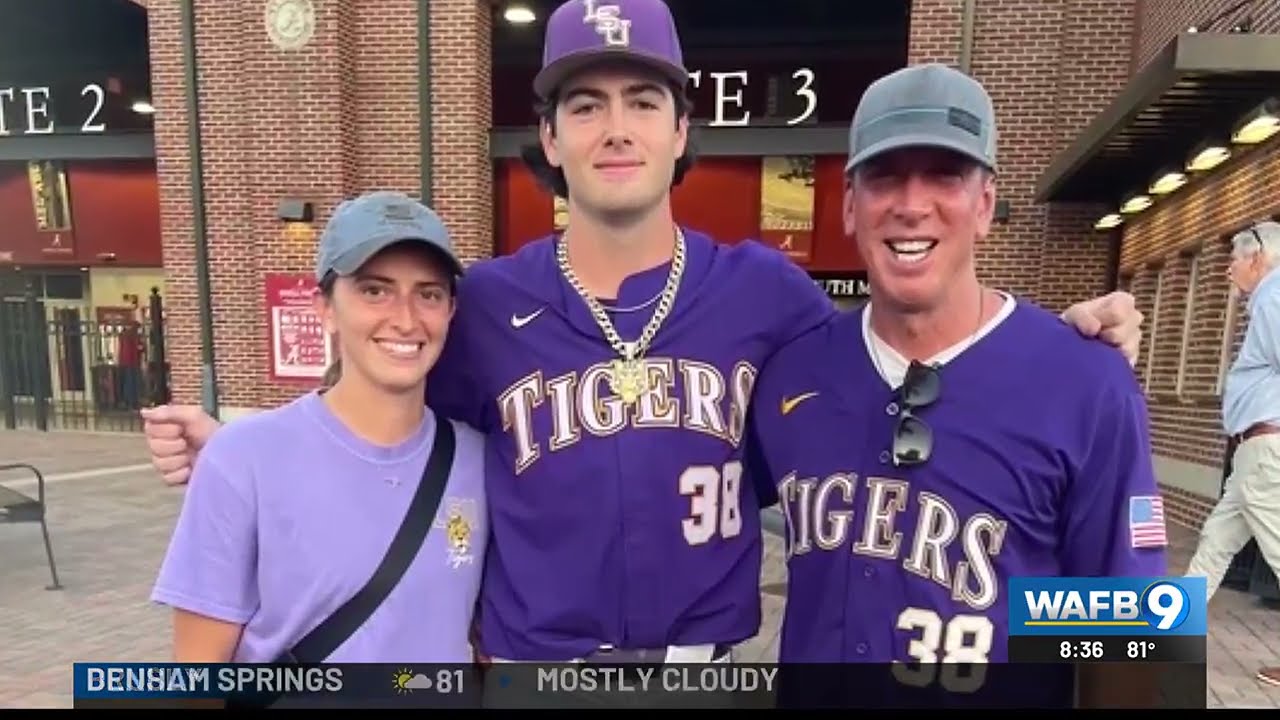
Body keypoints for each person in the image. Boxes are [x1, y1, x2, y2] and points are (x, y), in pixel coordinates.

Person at [142, 0, 1143, 703]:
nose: (613, 127)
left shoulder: (767, 294)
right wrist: (245, 439)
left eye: (640, 101)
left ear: (679, 131)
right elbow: (380, 409)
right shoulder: (482, 304)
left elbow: (924, 341)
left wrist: (1064, 345)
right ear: (548, 136)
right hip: (536, 681)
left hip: (706, 676)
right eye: (584, 103)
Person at [746, 64, 1168, 708]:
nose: (912, 204)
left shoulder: (1084, 381)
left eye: (944, 174)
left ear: (985, 205)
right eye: (885, 175)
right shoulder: (794, 372)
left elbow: (1132, 630)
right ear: (851, 206)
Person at [149, 192, 487, 686]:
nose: (406, 319)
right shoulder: (243, 460)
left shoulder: (477, 460)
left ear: (450, 311)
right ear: (325, 308)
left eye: (428, 294)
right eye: (375, 291)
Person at [1183, 220, 1280, 689]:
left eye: (1235, 259)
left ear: (1258, 258)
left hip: (1265, 448)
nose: (1228, 270)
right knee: (1216, 540)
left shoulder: (1275, 296)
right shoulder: (1269, 299)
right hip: (1254, 451)